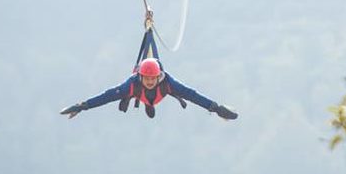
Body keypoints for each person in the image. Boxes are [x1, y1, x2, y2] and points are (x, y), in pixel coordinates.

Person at [60, 58, 238, 120]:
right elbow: (106, 96)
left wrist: (215, 108)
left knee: (152, 96)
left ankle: (149, 104)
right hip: (141, 95)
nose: (151, 82)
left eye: (153, 79)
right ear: (141, 76)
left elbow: (192, 95)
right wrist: (82, 106)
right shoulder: (131, 85)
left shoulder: (168, 83)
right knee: (140, 95)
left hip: (158, 96)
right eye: (147, 79)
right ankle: (147, 103)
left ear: (158, 77)